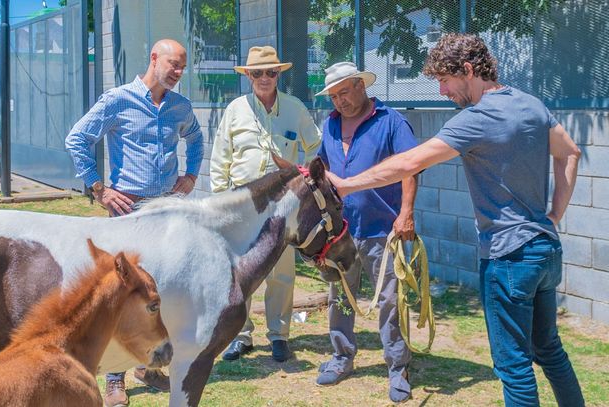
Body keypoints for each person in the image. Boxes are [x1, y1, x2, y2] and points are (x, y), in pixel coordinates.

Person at [327, 34, 584, 406]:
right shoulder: (531, 105)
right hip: (545, 249)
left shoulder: (476, 119)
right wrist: (554, 215)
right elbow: (570, 153)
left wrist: (347, 186)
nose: (443, 91)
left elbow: (409, 162)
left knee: (513, 367)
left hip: (508, 257)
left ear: (468, 70)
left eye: (445, 81)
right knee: (550, 351)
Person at [66, 38, 204, 407]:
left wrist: (190, 175)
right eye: (173, 64)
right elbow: (77, 138)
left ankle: (150, 364)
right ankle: (115, 379)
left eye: (182, 67)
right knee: (124, 294)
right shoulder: (118, 100)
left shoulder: (180, 106)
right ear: (153, 58)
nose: (177, 73)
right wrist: (99, 188)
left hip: (168, 213)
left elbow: (196, 139)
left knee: (164, 288)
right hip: (127, 211)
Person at [313, 62, 418, 403]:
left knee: (389, 299)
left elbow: (411, 168)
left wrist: (405, 214)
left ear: (361, 85)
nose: (339, 101)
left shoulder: (390, 121)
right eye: (333, 96)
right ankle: (342, 356)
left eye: (344, 92)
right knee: (340, 294)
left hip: (381, 230)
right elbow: (322, 169)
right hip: (340, 231)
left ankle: (398, 367)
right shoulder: (329, 125)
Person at [209, 45, 321, 363]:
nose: (264, 78)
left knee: (281, 272)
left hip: (282, 207)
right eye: (257, 73)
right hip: (242, 208)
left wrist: (306, 182)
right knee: (240, 274)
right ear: (248, 76)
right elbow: (221, 159)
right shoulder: (234, 110)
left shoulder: (295, 108)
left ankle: (279, 336)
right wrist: (221, 203)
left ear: (278, 74)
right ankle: (241, 335)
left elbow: (316, 147)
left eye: (270, 72)